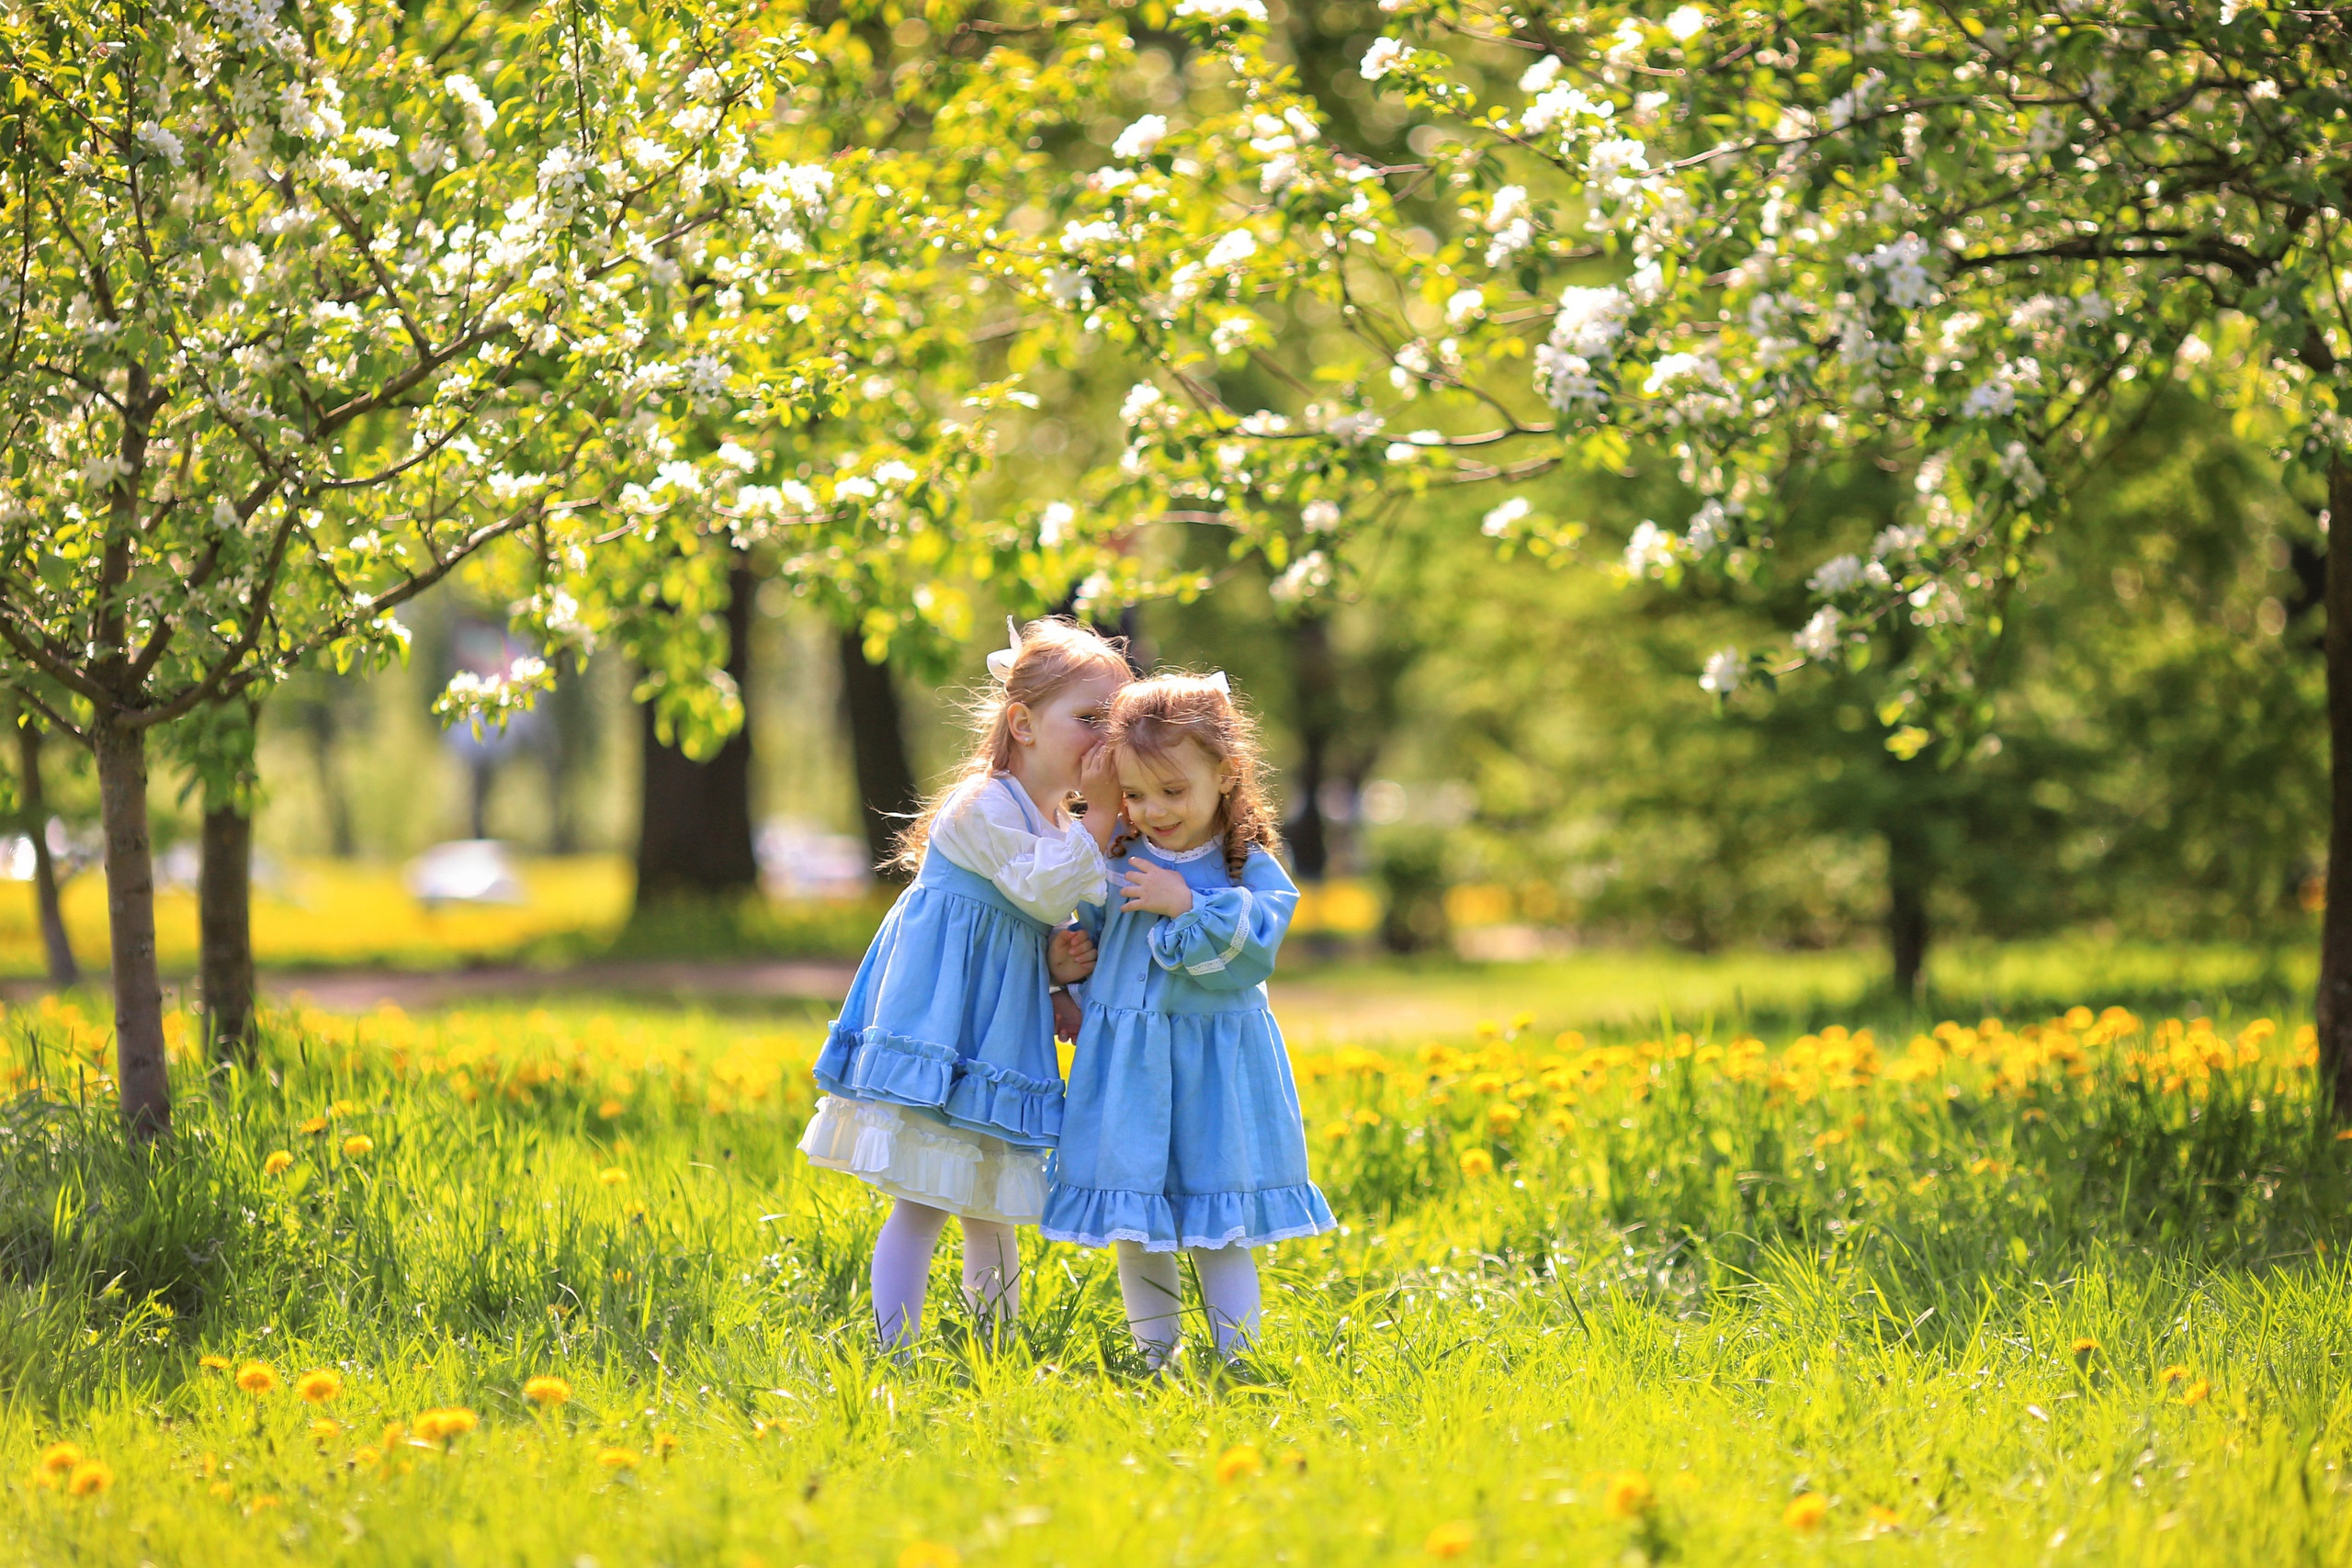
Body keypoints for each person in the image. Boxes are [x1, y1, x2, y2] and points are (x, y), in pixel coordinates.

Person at [800, 616, 1128, 1347]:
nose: (1106, 739)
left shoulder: (1051, 819)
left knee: (991, 1198)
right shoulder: (983, 803)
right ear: (1023, 722)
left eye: (1115, 722)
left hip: (996, 1029)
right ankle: (894, 1346)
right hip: (943, 1025)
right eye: (1088, 719)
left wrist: (1053, 975)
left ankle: (996, 1346)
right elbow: (1042, 893)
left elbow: (1033, 925)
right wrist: (1102, 818)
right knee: (924, 1196)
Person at [1041, 671, 1336, 1367]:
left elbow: (1254, 949)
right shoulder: (1115, 856)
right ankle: (1155, 1356)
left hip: (1214, 1072)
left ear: (1226, 774)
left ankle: (1240, 1358)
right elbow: (1080, 920)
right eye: (1136, 793)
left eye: (1173, 791)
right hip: (1129, 1067)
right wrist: (1064, 963)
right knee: (1135, 1218)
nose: (1154, 810)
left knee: (1218, 1218)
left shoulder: (1247, 868)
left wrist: (1185, 904)